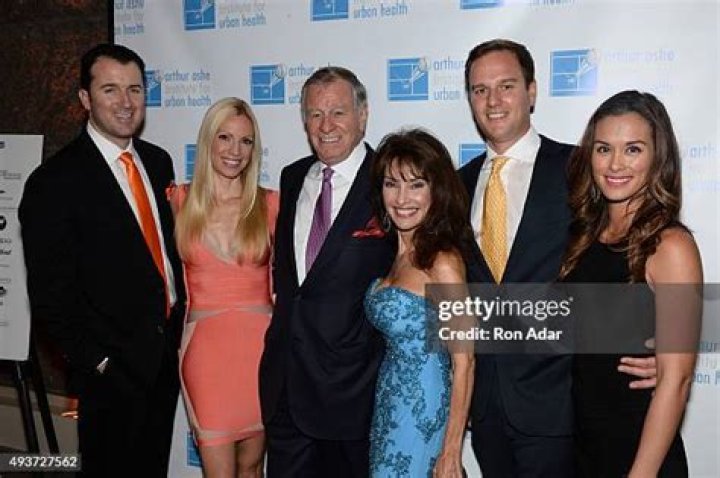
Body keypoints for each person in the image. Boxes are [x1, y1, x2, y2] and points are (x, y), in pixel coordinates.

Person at [459, 39, 659, 477]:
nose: (493, 101)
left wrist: (665, 344)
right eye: (479, 89)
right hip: (485, 406)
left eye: (506, 86)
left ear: (531, 91)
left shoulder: (581, 168)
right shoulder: (455, 185)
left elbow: (635, 248)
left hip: (562, 404)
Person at [19, 43, 185, 477]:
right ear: (85, 98)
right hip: (108, 376)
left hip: (164, 362)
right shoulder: (54, 182)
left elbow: (164, 257)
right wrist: (98, 362)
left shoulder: (158, 162)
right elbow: (50, 295)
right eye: (110, 89)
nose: (126, 102)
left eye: (135, 89)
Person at [258, 66, 395, 477]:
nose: (326, 125)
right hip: (286, 391)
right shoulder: (293, 176)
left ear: (363, 115)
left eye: (338, 112)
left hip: (354, 397)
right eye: (315, 114)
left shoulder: (390, 181)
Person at [559, 90, 701, 477]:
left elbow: (676, 380)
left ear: (657, 157)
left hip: (640, 453)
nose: (615, 164)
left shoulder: (671, 246)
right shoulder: (584, 236)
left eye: (633, 149)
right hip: (583, 448)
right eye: (603, 149)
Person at [171, 97, 278, 477]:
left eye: (246, 141)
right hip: (206, 355)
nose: (235, 151)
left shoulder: (270, 204)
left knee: (252, 469)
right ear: (208, 141)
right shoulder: (178, 200)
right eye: (225, 137)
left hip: (260, 352)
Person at [365, 128, 475, 477]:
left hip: (424, 412)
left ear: (436, 191)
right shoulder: (396, 254)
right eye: (391, 184)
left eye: (416, 185)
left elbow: (465, 362)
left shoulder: (443, 262)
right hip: (390, 406)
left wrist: (451, 450)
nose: (402, 198)